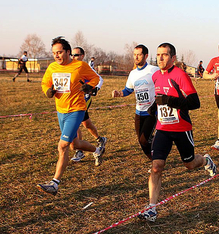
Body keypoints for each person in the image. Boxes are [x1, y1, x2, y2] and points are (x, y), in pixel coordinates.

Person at [138, 43, 217, 222]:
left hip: (181, 129)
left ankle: (205, 160)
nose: (160, 58)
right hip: (163, 129)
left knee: (189, 164)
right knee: (157, 166)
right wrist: (154, 107)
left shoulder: (180, 75)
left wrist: (171, 101)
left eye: (164, 55)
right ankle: (152, 208)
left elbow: (195, 103)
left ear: (173, 58)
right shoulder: (156, 76)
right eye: (158, 55)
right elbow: (160, 98)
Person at [37, 37, 104, 196]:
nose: (57, 56)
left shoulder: (80, 65)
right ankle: (96, 150)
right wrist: (47, 91)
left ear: (68, 52)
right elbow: (45, 83)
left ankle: (55, 183)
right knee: (74, 145)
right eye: (54, 53)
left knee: (63, 146)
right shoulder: (52, 67)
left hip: (76, 109)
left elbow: (95, 78)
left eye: (59, 52)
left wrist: (89, 86)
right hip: (61, 111)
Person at [112, 44, 158, 160]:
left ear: (146, 56)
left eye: (139, 55)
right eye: (134, 55)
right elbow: (128, 90)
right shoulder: (133, 74)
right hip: (139, 112)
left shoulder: (154, 70)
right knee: (141, 140)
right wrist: (119, 93)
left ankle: (156, 161)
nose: (136, 57)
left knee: (144, 139)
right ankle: (154, 158)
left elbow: (162, 85)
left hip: (151, 111)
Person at [70, 47, 107, 164]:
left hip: (83, 99)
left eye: (77, 55)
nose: (74, 57)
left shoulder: (85, 66)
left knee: (77, 124)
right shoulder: (70, 67)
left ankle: (79, 151)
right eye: (73, 55)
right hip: (73, 100)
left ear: (82, 55)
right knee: (86, 124)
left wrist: (94, 88)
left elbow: (99, 78)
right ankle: (100, 139)